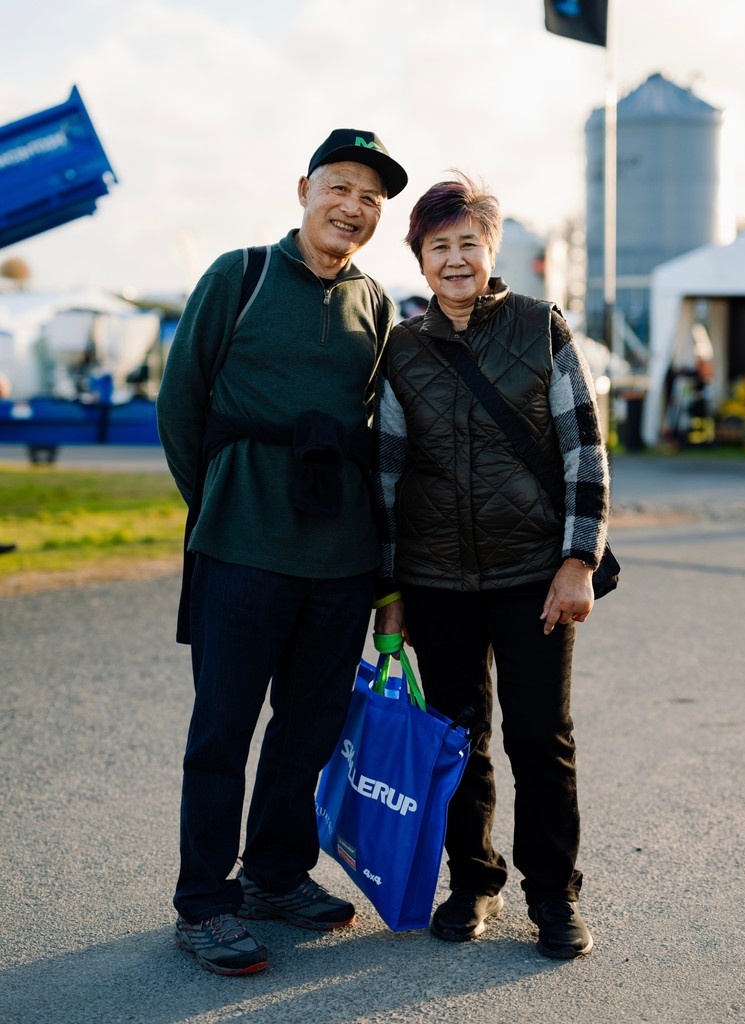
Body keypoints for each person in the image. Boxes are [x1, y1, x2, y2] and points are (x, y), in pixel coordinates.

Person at [156, 129, 408, 976]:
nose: (353, 208)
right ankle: (203, 903)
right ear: (304, 190)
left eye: (370, 199)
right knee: (222, 730)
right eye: (339, 188)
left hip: (339, 558)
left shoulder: (376, 302)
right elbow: (180, 403)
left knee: (309, 728)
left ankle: (273, 874)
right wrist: (222, 500)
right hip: (240, 546)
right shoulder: (240, 275)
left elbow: (379, 429)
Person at [373, 172, 610, 959]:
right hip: (436, 581)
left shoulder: (541, 327)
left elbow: (583, 449)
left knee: (540, 739)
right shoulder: (401, 348)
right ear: (419, 258)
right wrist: (391, 588)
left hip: (532, 576)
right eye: (437, 245)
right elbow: (387, 475)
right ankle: (473, 881)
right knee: (457, 741)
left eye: (467, 243)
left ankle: (553, 895)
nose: (454, 259)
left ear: (491, 249)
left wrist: (577, 561)